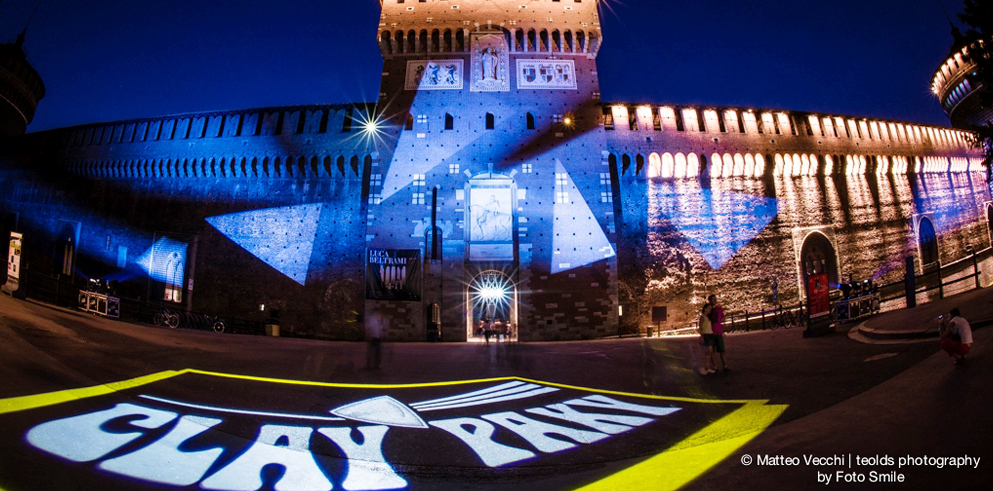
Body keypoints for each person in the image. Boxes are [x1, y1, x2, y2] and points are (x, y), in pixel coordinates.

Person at [708, 294, 729, 372]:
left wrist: (723, 329)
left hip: (718, 332)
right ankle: (715, 367)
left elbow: (722, 319)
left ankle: (725, 366)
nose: (715, 300)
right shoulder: (708, 310)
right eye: (713, 299)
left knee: (722, 350)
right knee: (712, 351)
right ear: (709, 301)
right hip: (710, 333)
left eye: (715, 299)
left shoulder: (719, 309)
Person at [698, 304, 717, 375]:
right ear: (705, 308)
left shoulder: (708, 317)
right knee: (708, 352)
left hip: (710, 334)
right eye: (709, 308)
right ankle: (704, 367)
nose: (710, 310)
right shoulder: (702, 317)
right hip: (706, 335)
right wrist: (702, 336)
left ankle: (707, 367)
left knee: (709, 353)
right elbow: (700, 327)